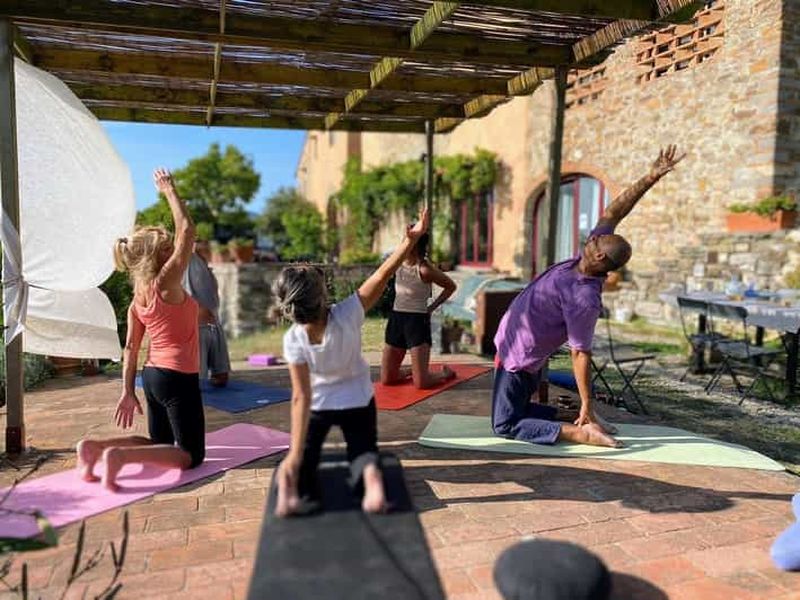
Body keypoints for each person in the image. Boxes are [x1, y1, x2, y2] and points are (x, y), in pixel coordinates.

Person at [493, 146, 685, 448]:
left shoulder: (584, 297)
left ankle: (582, 431)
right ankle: (580, 421)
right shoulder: (581, 263)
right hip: (514, 349)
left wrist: (587, 402)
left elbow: (580, 353)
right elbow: (615, 211)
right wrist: (650, 178)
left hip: (521, 359)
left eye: (598, 239)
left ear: (599, 256)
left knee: (505, 423)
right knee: (510, 411)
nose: (593, 234)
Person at [274, 208, 430, 517]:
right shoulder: (349, 312)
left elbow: (300, 397)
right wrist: (409, 242)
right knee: (362, 452)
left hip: (318, 404)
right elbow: (383, 273)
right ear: (323, 293)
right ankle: (371, 481)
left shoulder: (293, 339)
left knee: (304, 457)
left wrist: (294, 450)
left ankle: (290, 488)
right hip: (357, 400)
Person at [76, 168, 204, 491]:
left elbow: (131, 348)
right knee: (190, 454)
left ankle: (96, 449)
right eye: (166, 247)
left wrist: (127, 391)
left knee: (156, 441)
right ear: (157, 256)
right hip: (177, 377)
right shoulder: (165, 283)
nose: (172, 249)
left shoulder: (138, 299)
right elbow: (187, 231)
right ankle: (120, 457)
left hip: (152, 376)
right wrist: (169, 190)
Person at [380, 232, 458, 389]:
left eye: (408, 241)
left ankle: (445, 374)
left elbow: (451, 286)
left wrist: (431, 307)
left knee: (422, 384)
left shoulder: (424, 269)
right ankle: (414, 371)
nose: (404, 243)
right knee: (387, 379)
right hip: (396, 319)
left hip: (416, 322)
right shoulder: (398, 262)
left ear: (415, 246)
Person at [183, 239, 231, 387]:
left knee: (222, 377)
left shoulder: (205, 266)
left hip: (213, 323)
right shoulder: (190, 262)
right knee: (196, 380)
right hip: (199, 326)